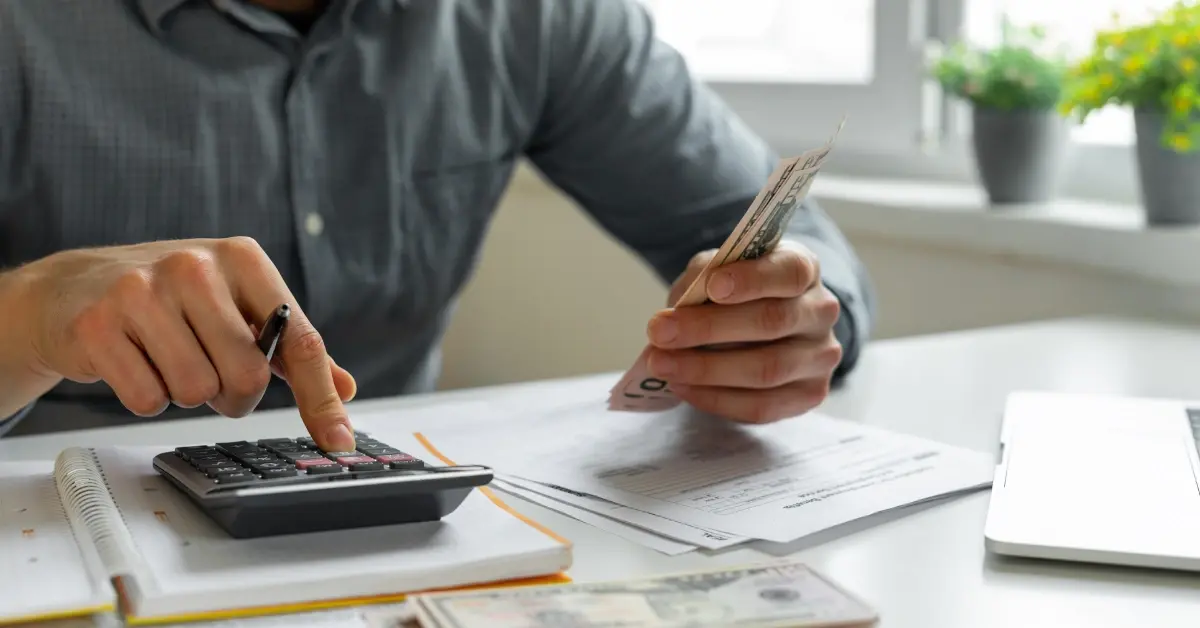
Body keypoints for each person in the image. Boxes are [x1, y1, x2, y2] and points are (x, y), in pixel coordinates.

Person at [0, 0, 875, 451]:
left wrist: (786, 317)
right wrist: (29, 316)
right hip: (55, 536)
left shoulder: (533, 18)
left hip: (408, 544)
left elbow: (799, 245)